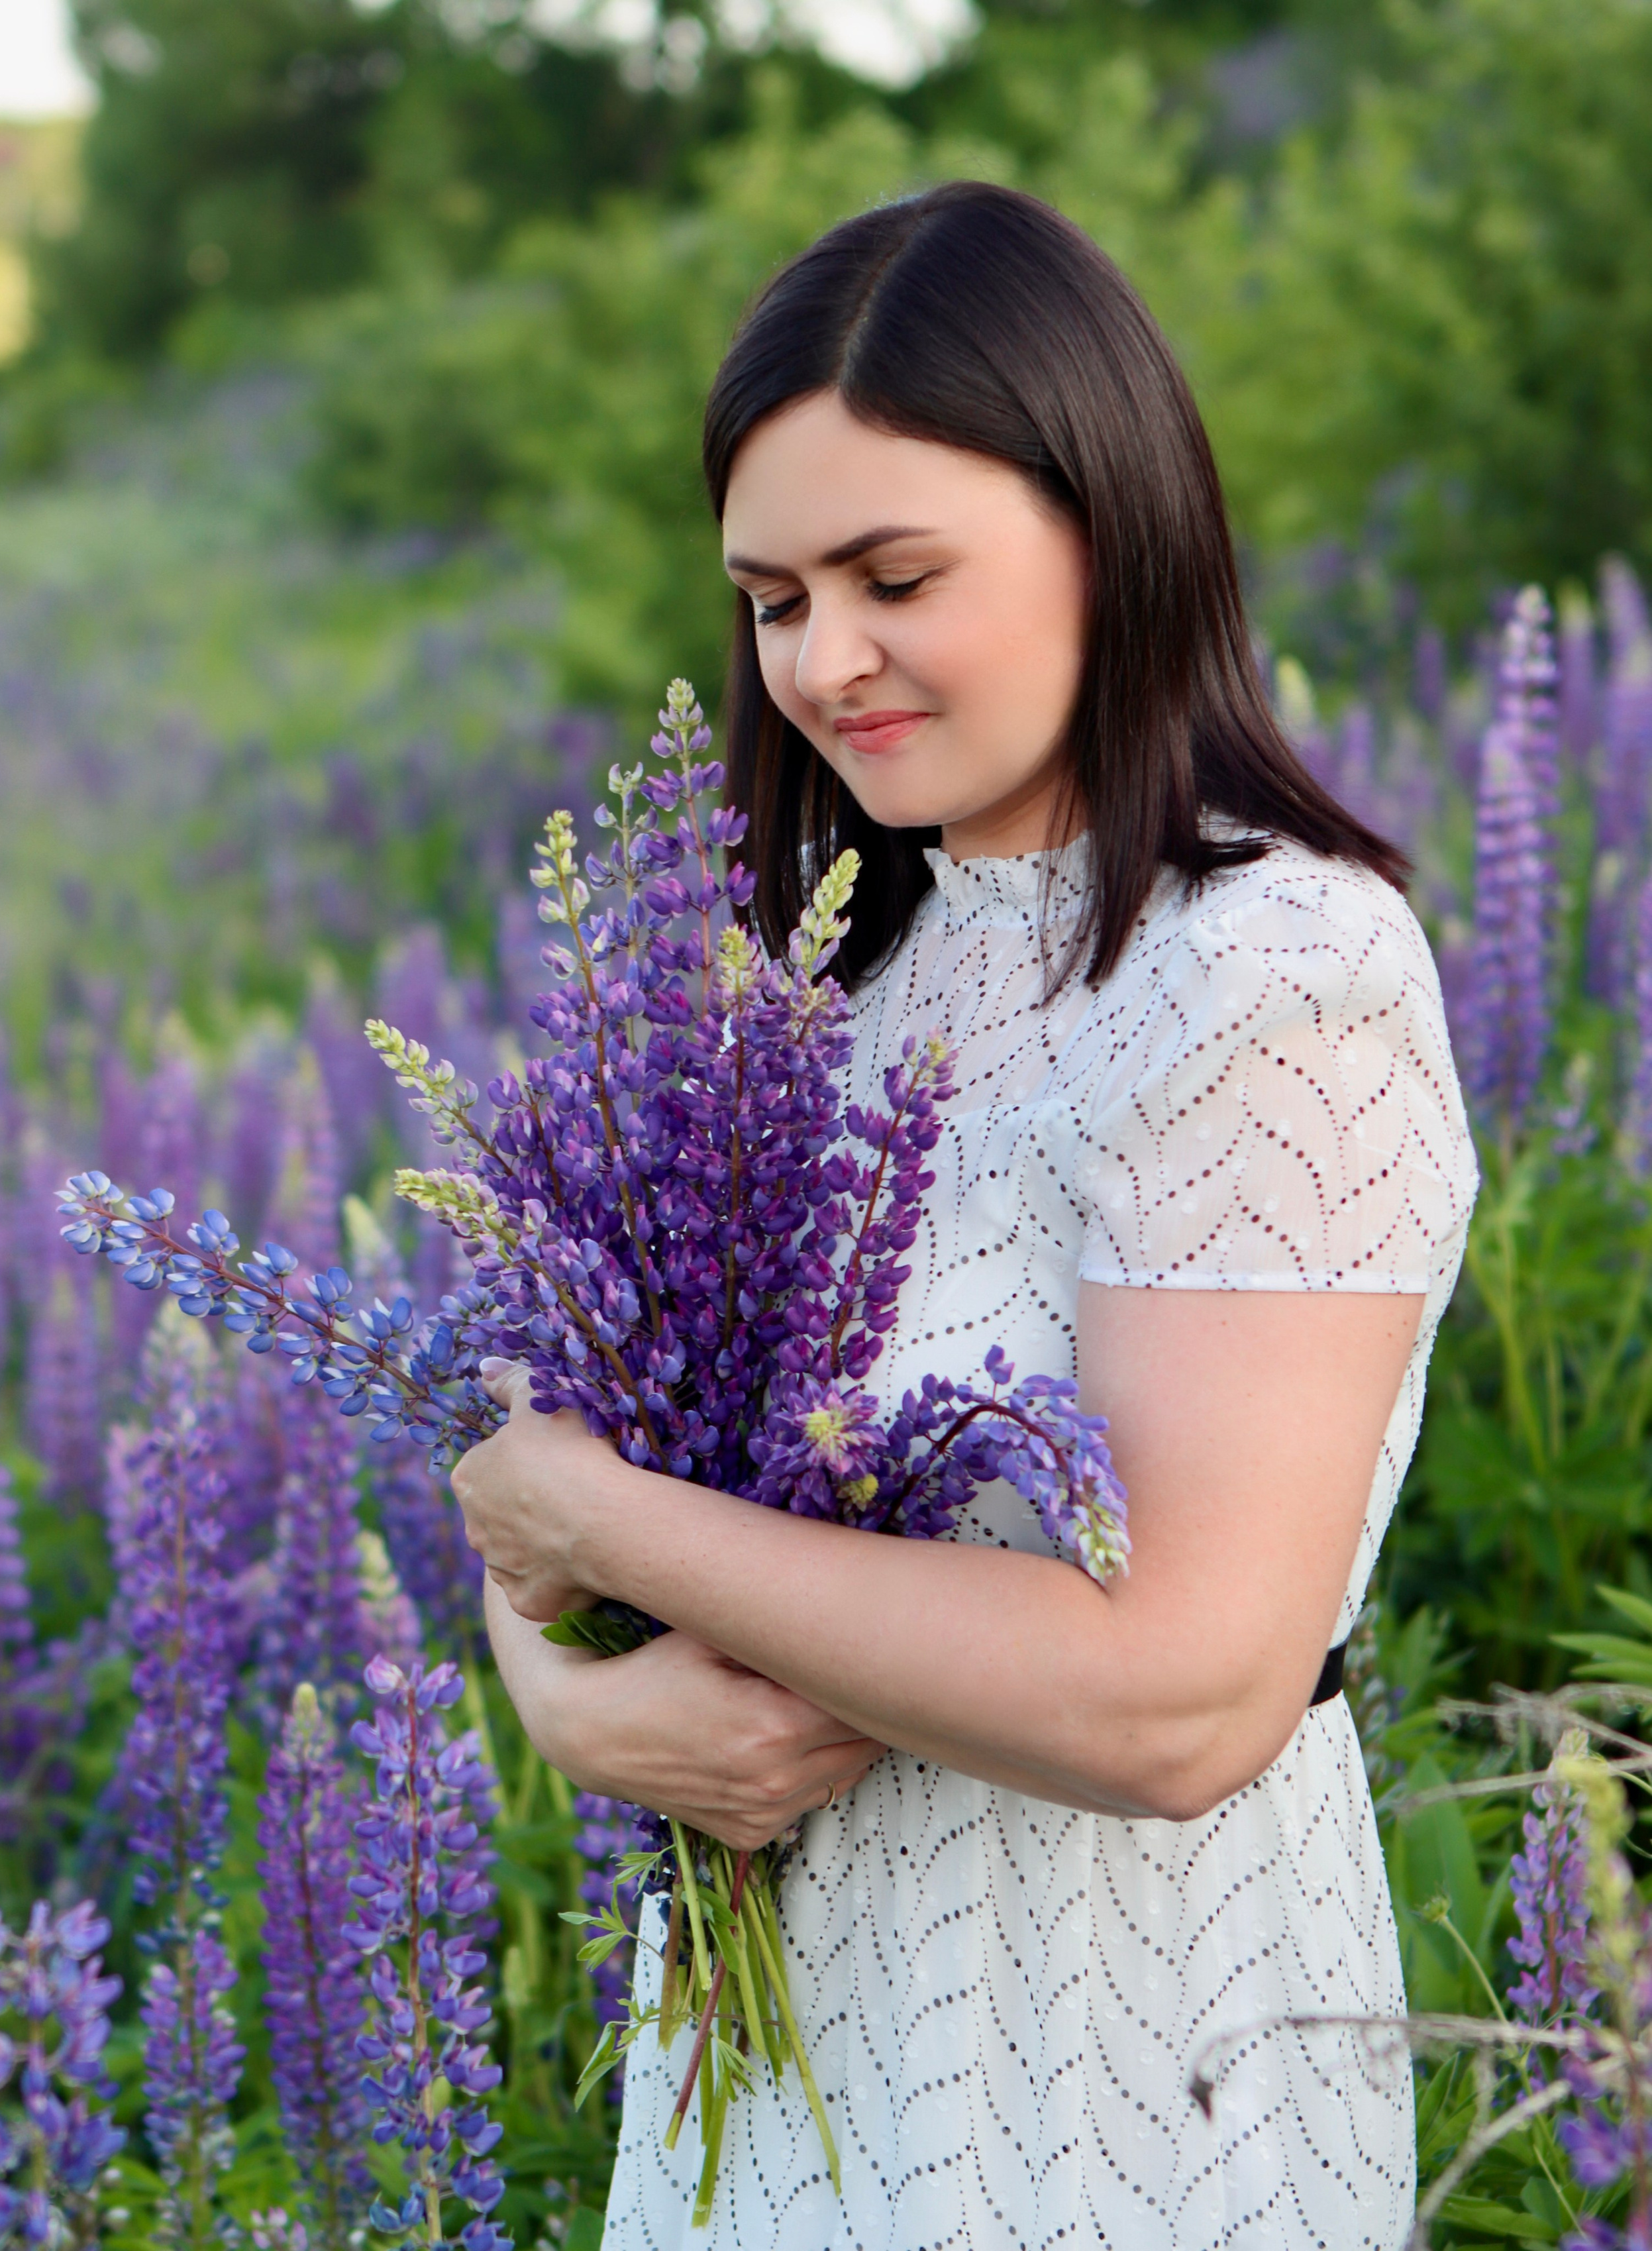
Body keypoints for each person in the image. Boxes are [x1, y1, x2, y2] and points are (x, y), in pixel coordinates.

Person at [455, 182, 1478, 2249]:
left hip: (1128, 2075)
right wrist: (572, 1697)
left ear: (1107, 519)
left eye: (892, 574)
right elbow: (553, 1479)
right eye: (768, 599)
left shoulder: (1275, 970)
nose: (824, 659)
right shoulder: (808, 986)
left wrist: (598, 1533)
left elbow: (1185, 1696)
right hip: (760, 2089)